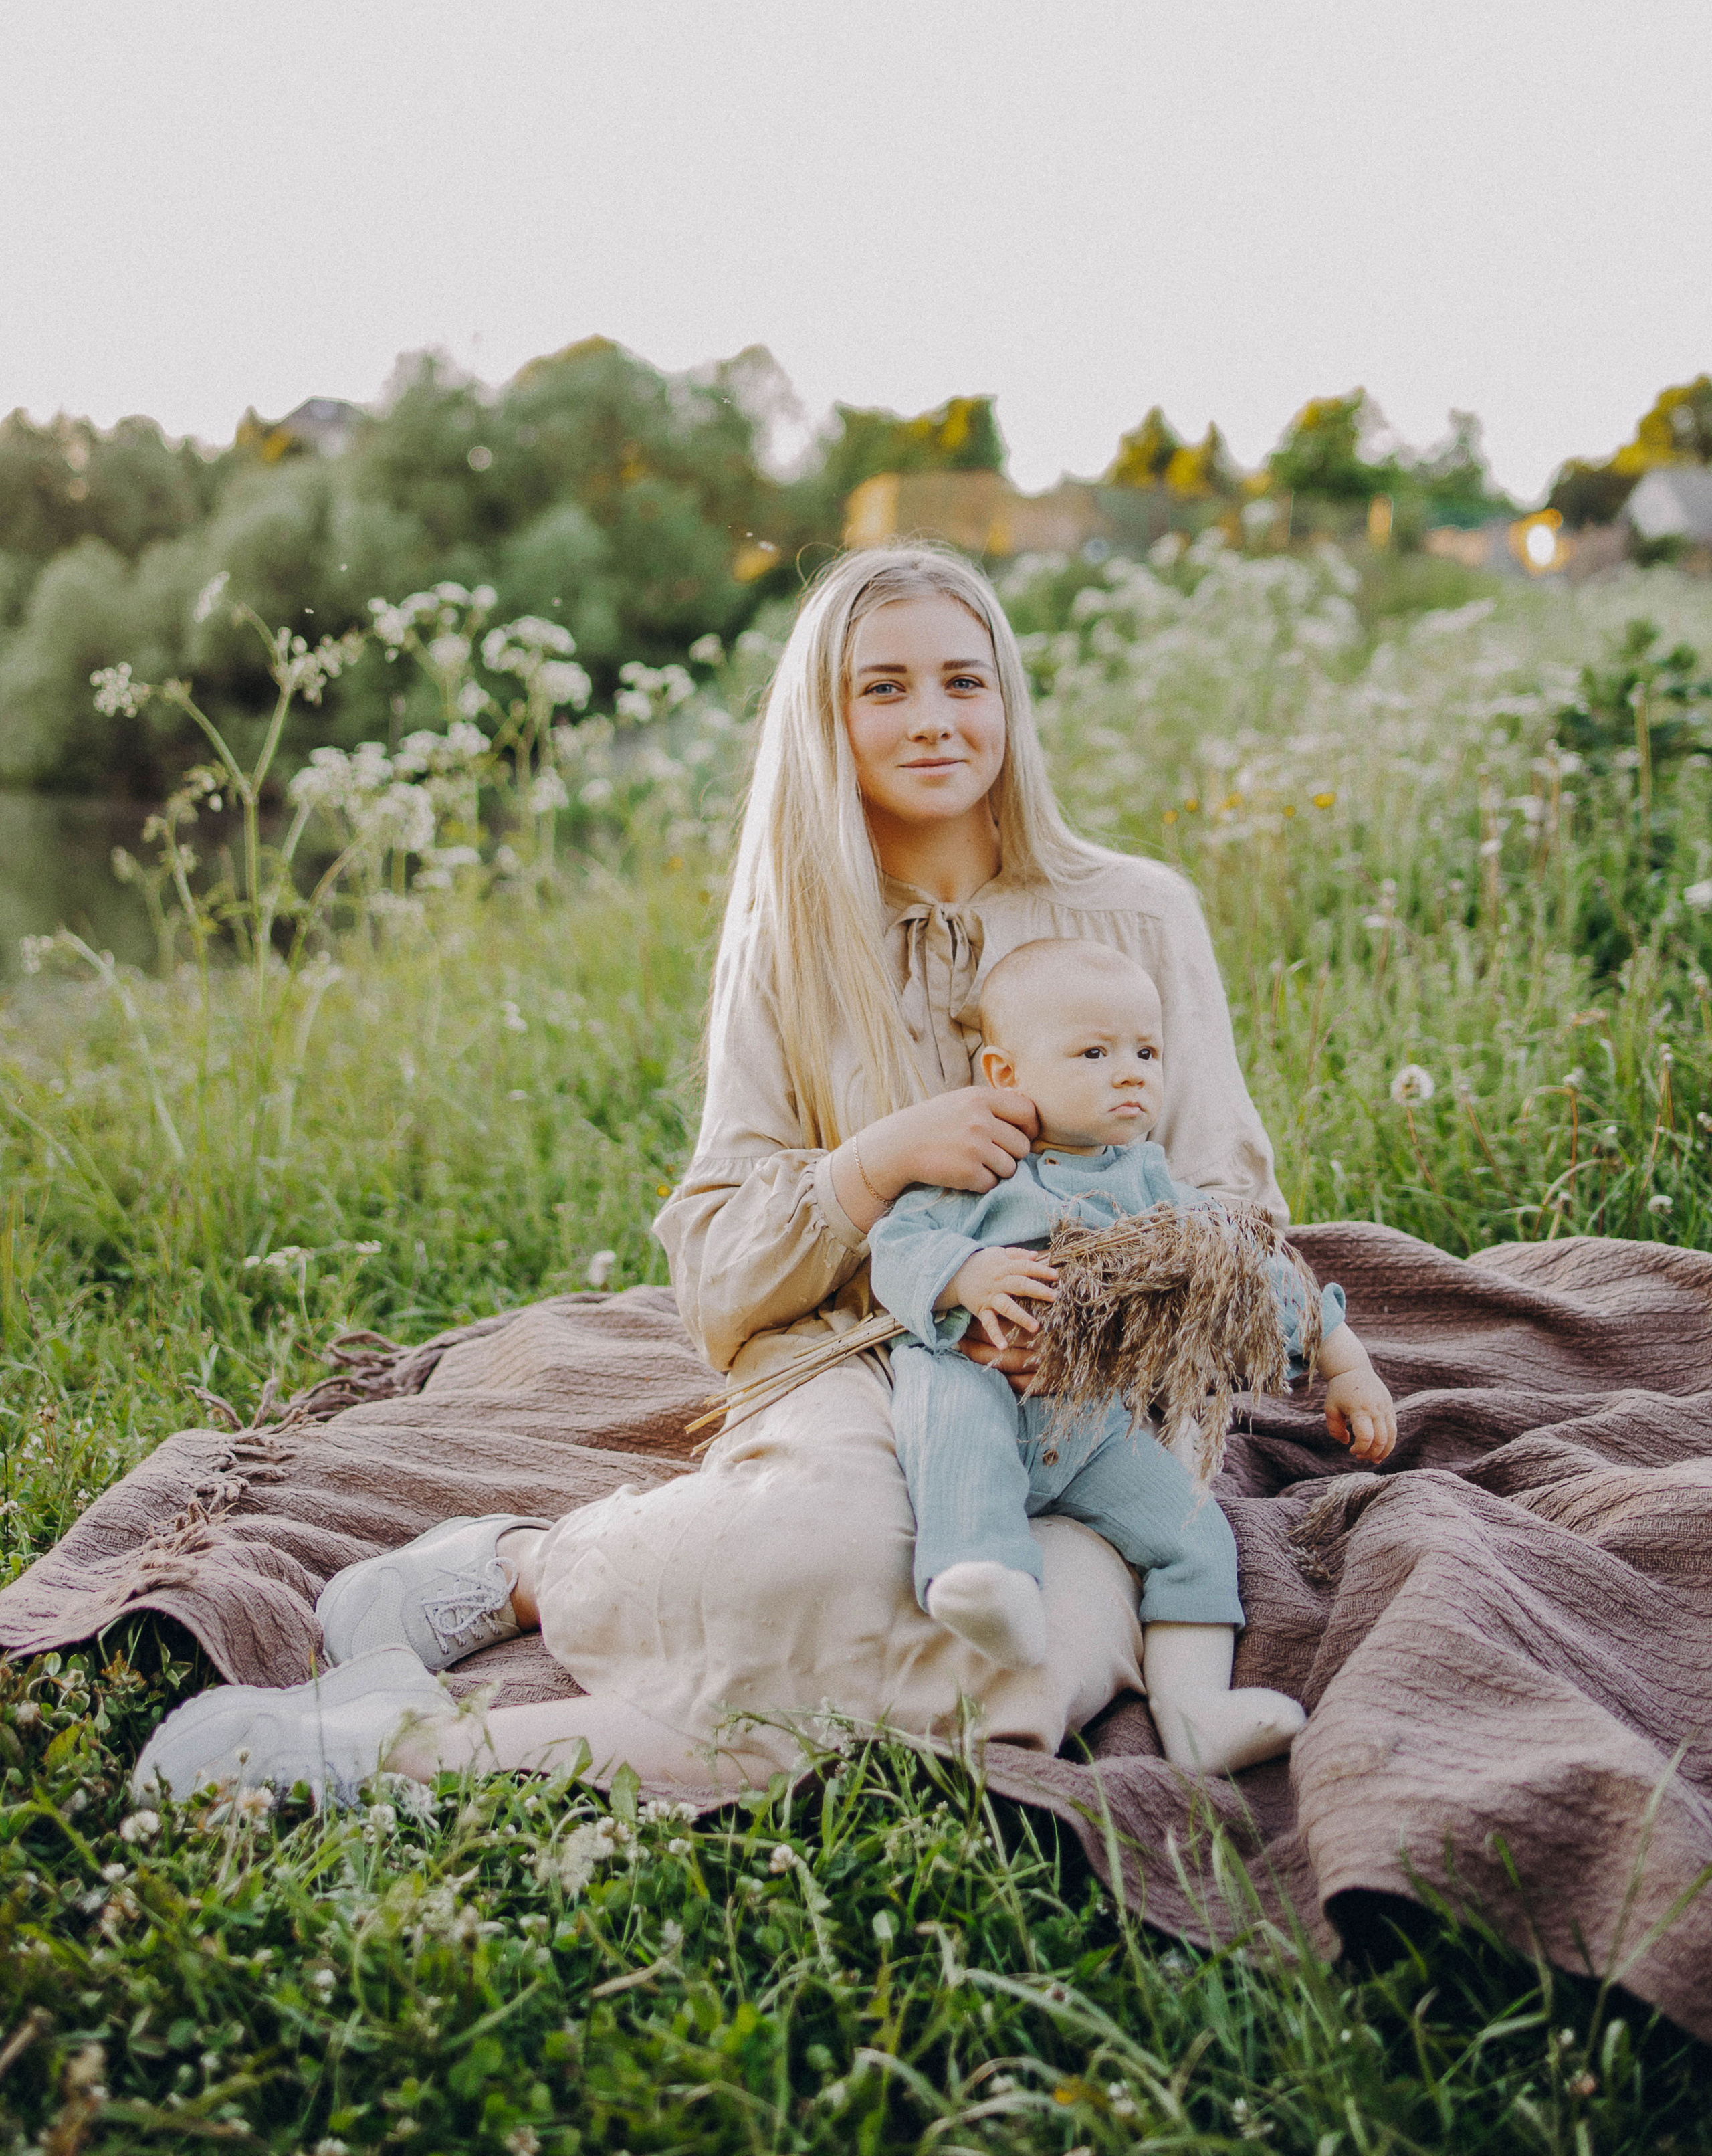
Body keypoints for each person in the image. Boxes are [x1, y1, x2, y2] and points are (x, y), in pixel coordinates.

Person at [134, 545, 1313, 1803]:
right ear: (829, 721)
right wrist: (873, 1166)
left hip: (1100, 1417)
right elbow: (718, 1274)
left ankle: (383, 1753)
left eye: (966, 681)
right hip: (862, 1356)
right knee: (818, 1555)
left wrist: (1090, 1323)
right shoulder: (793, 947)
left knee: (1023, 1674)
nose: (933, 720)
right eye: (885, 689)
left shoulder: (1139, 915)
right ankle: (529, 1568)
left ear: (1010, 701)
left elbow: (1237, 1214)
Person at [870, 933, 1395, 1775]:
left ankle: (1194, 1712)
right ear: (1004, 1076)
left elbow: (1257, 1276)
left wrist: (1345, 1363)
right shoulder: (981, 1176)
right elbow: (893, 1250)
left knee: (1195, 1534)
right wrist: (965, 1273)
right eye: (1094, 1052)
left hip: (1092, 1432)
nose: (1131, 1073)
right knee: (954, 1423)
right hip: (983, 1393)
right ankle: (982, 1576)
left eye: (1146, 1051)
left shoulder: (1154, 1190)